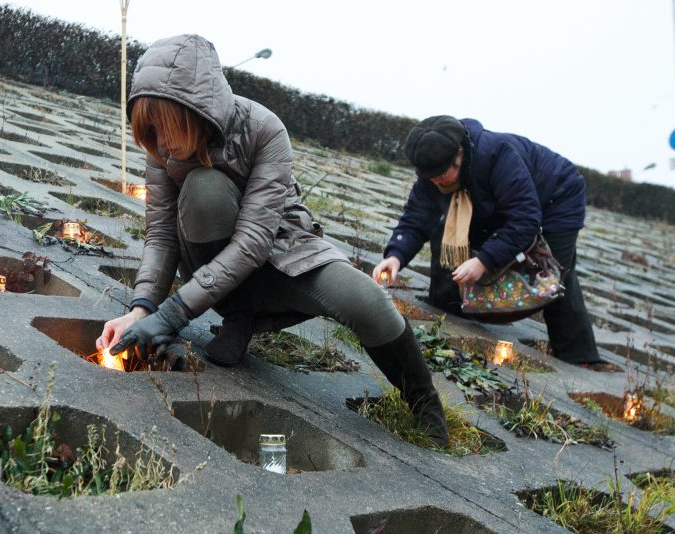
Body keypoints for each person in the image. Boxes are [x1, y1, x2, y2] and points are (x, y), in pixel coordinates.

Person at [94, 34, 450, 446]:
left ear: (193, 110)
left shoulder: (264, 128)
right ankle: (239, 314)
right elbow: (160, 236)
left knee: (368, 302)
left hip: (284, 249)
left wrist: (173, 315)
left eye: (165, 127)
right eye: (149, 131)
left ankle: (423, 400)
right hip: (207, 255)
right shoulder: (162, 150)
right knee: (205, 191)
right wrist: (141, 311)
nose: (160, 143)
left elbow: (255, 241)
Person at [372, 116, 601, 366]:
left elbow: (524, 219)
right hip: (494, 201)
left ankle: (578, 357)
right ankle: (447, 310)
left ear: (460, 153)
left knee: (553, 272)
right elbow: (417, 216)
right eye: (430, 177)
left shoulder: (498, 156)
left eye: (443, 174)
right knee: (447, 230)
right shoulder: (434, 168)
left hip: (557, 197)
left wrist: (483, 261)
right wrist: (395, 256)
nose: (438, 181)